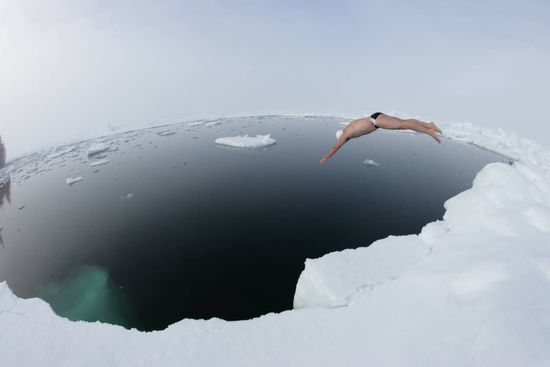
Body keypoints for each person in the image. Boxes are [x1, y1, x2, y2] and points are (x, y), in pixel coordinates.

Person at [319, 112, 442, 164]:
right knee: (403, 123)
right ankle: (429, 125)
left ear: (341, 136)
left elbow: (335, 147)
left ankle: (429, 131)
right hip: (376, 119)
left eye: (344, 140)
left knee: (402, 125)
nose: (346, 141)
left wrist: (325, 158)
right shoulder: (348, 130)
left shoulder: (346, 133)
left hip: (376, 121)